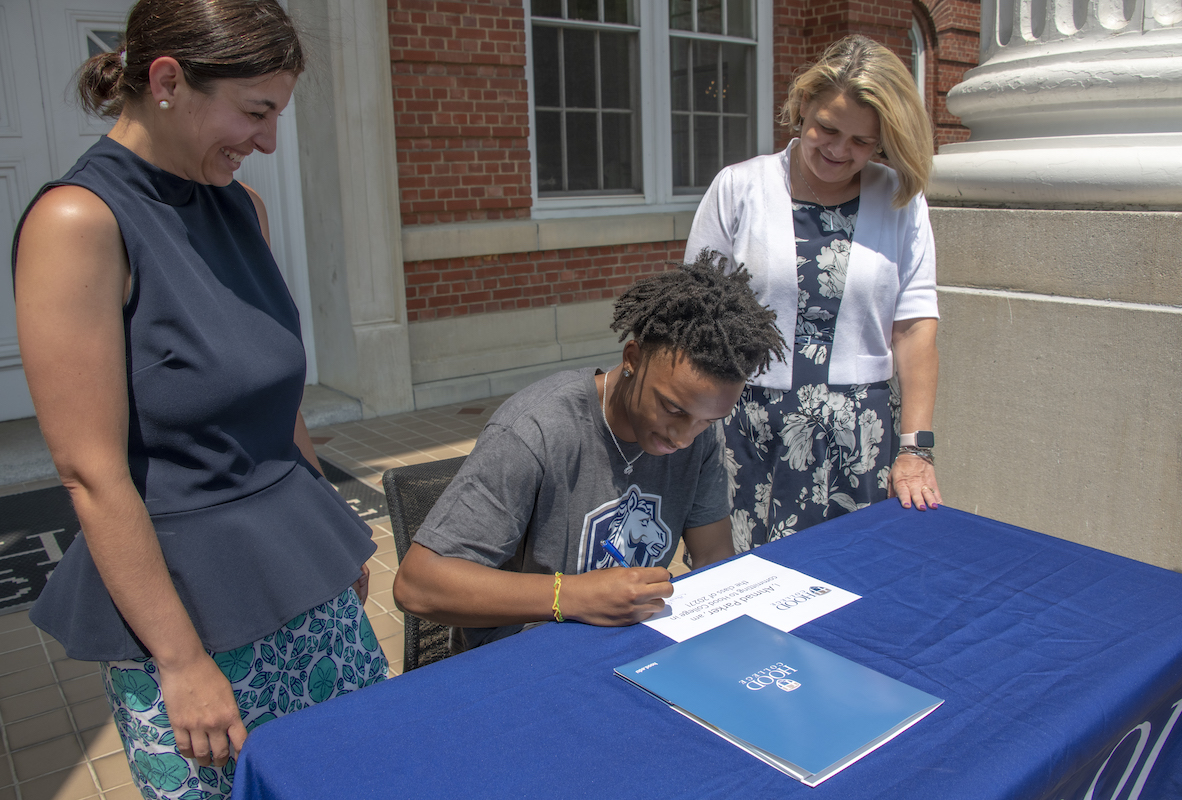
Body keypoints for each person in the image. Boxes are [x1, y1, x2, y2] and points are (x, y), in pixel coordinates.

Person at [11, 2, 386, 797]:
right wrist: (180, 663)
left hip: (302, 579)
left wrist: (326, 532)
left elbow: (278, 405)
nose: (268, 142)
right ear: (168, 80)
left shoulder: (241, 208)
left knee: (358, 777)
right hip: (186, 616)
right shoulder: (79, 221)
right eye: (255, 112)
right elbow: (90, 471)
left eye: (277, 114)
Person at [393, 256, 785, 653]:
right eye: (673, 409)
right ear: (632, 359)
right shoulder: (536, 431)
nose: (685, 437)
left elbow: (713, 555)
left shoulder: (699, 432)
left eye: (707, 419)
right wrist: (573, 596)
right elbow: (418, 584)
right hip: (521, 654)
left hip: (626, 644)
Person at [684, 35, 942, 552]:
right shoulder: (740, 188)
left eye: (862, 142)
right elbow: (694, 315)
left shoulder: (900, 202)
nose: (839, 151)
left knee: (853, 580)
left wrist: (917, 449)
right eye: (827, 128)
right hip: (745, 426)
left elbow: (914, 329)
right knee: (739, 583)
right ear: (803, 105)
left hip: (860, 437)